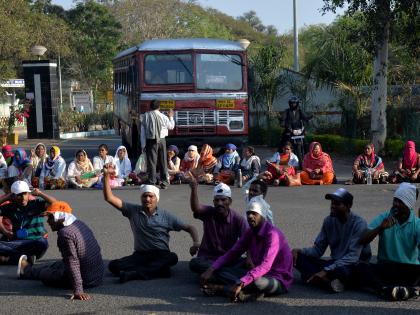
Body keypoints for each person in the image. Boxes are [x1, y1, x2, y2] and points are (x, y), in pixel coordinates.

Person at [102, 164, 199, 283]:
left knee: (172, 257)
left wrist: (196, 243)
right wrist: (106, 175)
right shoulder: (132, 210)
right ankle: (157, 271)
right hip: (140, 255)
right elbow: (109, 198)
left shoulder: (165, 216)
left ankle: (134, 274)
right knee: (113, 266)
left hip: (161, 254)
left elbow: (190, 227)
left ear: (156, 198)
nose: (147, 199)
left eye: (151, 196)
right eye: (145, 196)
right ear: (141, 198)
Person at [200, 197, 293, 303]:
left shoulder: (273, 234)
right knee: (216, 270)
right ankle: (243, 291)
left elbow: (266, 266)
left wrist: (242, 282)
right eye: (248, 213)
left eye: (254, 213)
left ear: (262, 215)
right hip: (256, 271)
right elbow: (232, 253)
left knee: (257, 282)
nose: (250, 216)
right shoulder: (250, 232)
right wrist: (211, 269)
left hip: (276, 278)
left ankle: (222, 288)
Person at [17, 201, 104, 301]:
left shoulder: (65, 234)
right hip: (97, 275)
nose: (48, 221)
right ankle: (30, 269)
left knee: (46, 274)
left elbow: (73, 262)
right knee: (57, 264)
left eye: (50, 217)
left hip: (86, 280)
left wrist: (78, 290)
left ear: (60, 217)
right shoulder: (79, 223)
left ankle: (27, 272)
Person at [292, 188, 371, 292]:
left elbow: (352, 257)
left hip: (353, 265)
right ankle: (330, 282)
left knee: (344, 271)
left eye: (337, 204)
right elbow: (318, 250)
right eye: (332, 203)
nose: (333, 206)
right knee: (299, 259)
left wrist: (325, 271)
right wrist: (300, 251)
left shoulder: (359, 224)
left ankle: (322, 279)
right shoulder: (328, 221)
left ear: (348, 206)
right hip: (335, 262)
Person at [356, 182, 420, 301]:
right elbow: (362, 240)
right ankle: (386, 289)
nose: (396, 204)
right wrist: (380, 227)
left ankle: (409, 290)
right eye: (395, 200)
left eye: (400, 201)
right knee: (360, 267)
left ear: (409, 204)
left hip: (409, 269)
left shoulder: (417, 224)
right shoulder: (384, 217)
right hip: (386, 267)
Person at [188, 176, 248, 281]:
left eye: (223, 200)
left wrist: (250, 259)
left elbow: (248, 242)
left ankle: (215, 276)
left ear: (230, 201)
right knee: (194, 263)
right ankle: (230, 278)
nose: (220, 203)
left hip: (228, 260)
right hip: (208, 259)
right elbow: (196, 208)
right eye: (217, 200)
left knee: (249, 262)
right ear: (213, 201)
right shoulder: (209, 212)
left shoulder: (238, 220)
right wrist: (194, 188)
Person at [0, 181, 56, 264]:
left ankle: (11, 259)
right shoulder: (9, 207)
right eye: (19, 195)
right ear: (13, 196)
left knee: (42, 242)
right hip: (19, 242)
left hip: (36, 241)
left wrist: (40, 194)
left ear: (28, 194)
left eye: (25, 194)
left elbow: (55, 203)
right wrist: (6, 198)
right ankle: (25, 258)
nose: (22, 197)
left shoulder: (36, 204)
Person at [140, 100, 175, 189]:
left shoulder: (145, 117)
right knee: (163, 160)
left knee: (152, 161)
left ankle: (152, 180)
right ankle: (164, 181)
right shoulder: (163, 116)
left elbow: (143, 132)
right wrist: (171, 117)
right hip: (162, 140)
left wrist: (143, 145)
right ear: (159, 107)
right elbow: (171, 126)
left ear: (150, 107)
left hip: (150, 141)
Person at [282, 96, 312, 164]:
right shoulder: (286, 111)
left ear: (297, 103)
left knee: (306, 142)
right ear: (290, 103)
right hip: (289, 129)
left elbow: (304, 117)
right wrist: (282, 122)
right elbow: (283, 118)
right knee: (284, 140)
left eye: (295, 103)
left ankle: (308, 157)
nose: (293, 104)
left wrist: (309, 117)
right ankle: (280, 155)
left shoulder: (300, 111)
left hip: (298, 130)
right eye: (292, 103)